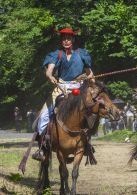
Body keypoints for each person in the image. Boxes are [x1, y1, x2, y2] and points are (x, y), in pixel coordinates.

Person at [32, 27, 94, 161]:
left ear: (73, 39)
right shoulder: (57, 54)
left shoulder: (82, 54)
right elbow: (49, 71)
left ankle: (87, 143)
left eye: (69, 38)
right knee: (43, 116)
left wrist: (92, 79)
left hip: (79, 88)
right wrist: (50, 76)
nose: (66, 41)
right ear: (61, 40)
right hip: (61, 87)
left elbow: (89, 72)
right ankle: (43, 147)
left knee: (91, 112)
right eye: (64, 39)